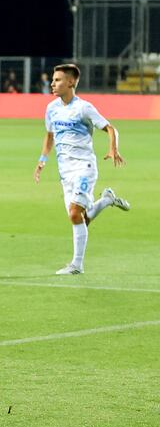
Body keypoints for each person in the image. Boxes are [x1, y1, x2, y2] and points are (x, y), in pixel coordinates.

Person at [34, 64, 130, 275]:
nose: (52, 83)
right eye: (53, 79)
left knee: (74, 214)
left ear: (71, 82)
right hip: (64, 172)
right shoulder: (51, 108)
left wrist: (113, 149)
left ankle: (77, 265)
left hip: (84, 167)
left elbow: (110, 128)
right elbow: (49, 135)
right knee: (80, 219)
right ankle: (106, 200)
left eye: (57, 80)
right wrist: (42, 160)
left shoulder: (84, 108)